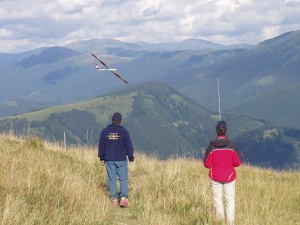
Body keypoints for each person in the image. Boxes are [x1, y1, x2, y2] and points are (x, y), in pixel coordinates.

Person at [203, 121, 242, 225]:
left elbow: (207, 164)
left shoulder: (211, 147)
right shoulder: (232, 146)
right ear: (226, 131)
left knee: (217, 201)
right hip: (229, 178)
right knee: (230, 201)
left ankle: (219, 222)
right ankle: (230, 223)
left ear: (216, 131)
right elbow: (237, 163)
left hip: (215, 177)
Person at [98, 112, 134, 207]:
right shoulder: (124, 132)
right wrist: (131, 157)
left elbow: (101, 145)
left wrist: (102, 157)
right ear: (120, 121)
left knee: (112, 178)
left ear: (112, 120)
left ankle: (114, 199)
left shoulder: (105, 131)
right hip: (121, 159)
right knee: (123, 178)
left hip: (109, 159)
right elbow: (129, 146)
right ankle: (123, 198)